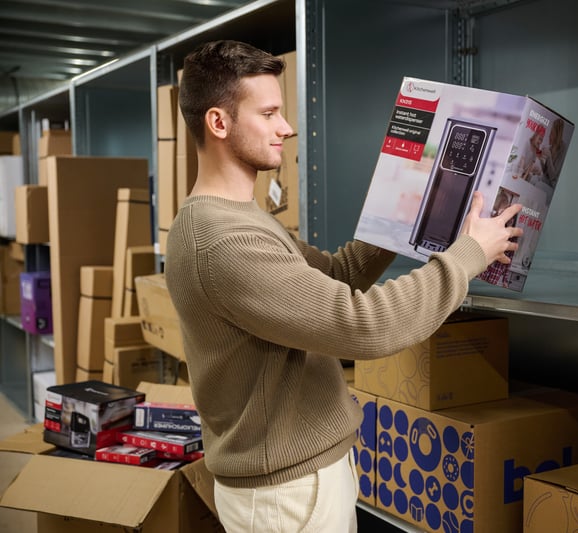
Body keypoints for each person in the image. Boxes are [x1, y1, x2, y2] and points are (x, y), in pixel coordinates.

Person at [165, 40, 523, 533]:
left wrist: (406, 210)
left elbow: (334, 277)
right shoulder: (222, 241)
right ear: (219, 123)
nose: (286, 128)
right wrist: (468, 256)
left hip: (295, 484)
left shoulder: (242, 219)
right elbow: (363, 326)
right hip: (284, 498)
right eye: (268, 114)